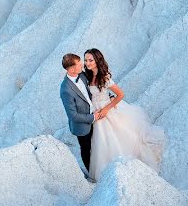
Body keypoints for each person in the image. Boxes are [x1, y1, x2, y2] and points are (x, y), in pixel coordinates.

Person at [83, 48, 166, 181]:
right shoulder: (87, 76)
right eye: (86, 60)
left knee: (111, 140)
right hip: (95, 112)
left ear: (97, 60)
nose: (87, 63)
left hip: (106, 111)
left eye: (90, 60)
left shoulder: (104, 77)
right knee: (100, 144)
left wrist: (106, 109)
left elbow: (121, 94)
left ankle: (119, 170)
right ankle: (105, 174)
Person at [59, 53, 102, 179]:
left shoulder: (82, 75)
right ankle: (92, 175)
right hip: (82, 126)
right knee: (86, 149)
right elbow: (73, 116)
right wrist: (93, 117)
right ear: (71, 69)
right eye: (79, 64)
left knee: (98, 145)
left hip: (95, 115)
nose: (82, 64)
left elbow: (92, 90)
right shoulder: (65, 90)